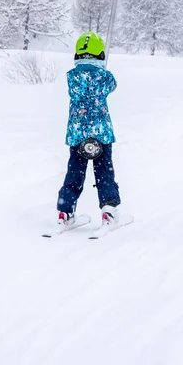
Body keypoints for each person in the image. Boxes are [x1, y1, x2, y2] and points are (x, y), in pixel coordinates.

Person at [57, 32, 121, 227]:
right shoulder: (104, 77)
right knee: (104, 171)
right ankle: (108, 210)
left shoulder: (72, 76)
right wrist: (103, 73)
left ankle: (65, 211)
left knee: (75, 172)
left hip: (78, 134)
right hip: (101, 133)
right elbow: (113, 85)